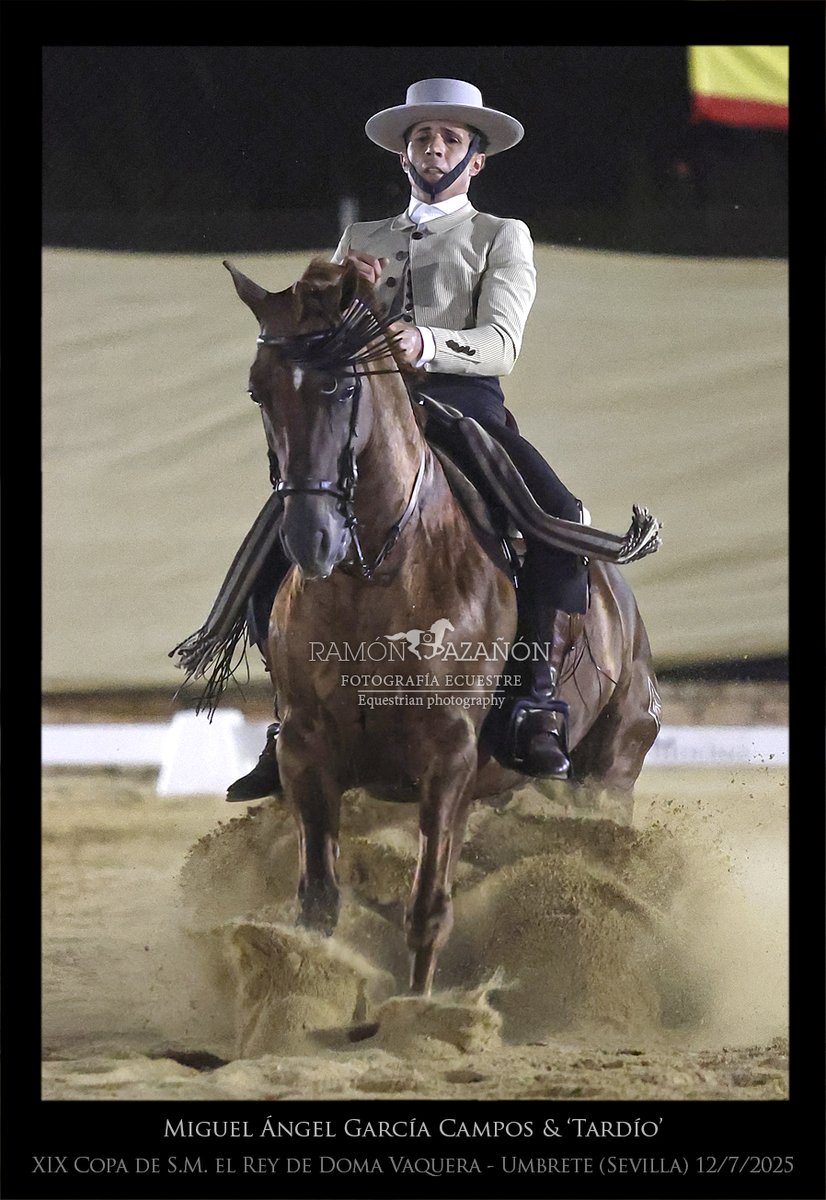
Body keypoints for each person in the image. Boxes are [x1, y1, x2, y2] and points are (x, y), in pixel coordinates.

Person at [227, 78, 589, 801]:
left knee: (560, 517)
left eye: (450, 137)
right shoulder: (363, 238)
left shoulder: (500, 235)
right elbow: (318, 328)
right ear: (404, 154)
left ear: (474, 160)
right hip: (362, 414)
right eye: (422, 136)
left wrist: (424, 342)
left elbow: (501, 344)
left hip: (463, 407)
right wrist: (334, 285)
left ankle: (536, 698)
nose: (434, 146)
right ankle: (290, 719)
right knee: (275, 539)